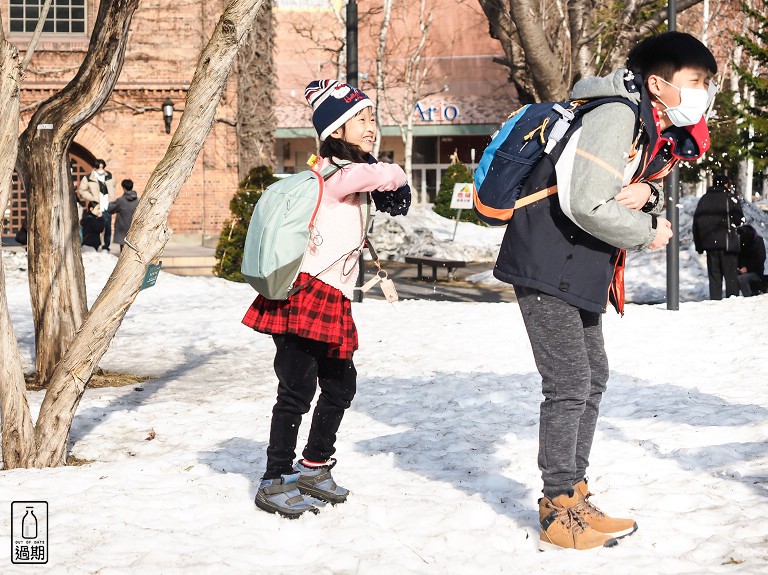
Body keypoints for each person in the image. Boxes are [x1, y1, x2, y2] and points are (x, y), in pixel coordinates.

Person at [492, 32, 717, 550]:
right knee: (570, 379)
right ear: (658, 84)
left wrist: (650, 193)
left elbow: (624, 185)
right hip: (548, 262)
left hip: (576, 264)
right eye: (695, 83)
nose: (703, 94)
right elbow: (587, 204)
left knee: (592, 376)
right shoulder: (616, 113)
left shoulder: (638, 117)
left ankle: (573, 491)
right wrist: (648, 230)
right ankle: (556, 507)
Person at [242, 79, 408, 518]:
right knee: (295, 388)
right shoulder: (333, 173)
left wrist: (384, 185)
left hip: (333, 297)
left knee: (340, 385)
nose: (372, 127)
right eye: (362, 120)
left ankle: (314, 465)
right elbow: (371, 173)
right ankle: (274, 476)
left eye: (373, 118)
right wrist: (396, 177)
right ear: (336, 130)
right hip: (304, 294)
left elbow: (367, 176)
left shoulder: (350, 175)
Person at [692, 175, 744, 299]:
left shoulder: (704, 199)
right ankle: (732, 304)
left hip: (710, 246)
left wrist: (699, 246)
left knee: (714, 279)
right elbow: (739, 220)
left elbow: (696, 224)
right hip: (728, 244)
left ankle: (715, 302)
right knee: (731, 277)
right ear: (725, 184)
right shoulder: (729, 198)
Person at [78, 159, 116, 252]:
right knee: (96, 226)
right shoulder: (88, 178)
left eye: (102, 167)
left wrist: (110, 196)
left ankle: (106, 246)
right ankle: (96, 244)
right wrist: (92, 198)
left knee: (107, 226)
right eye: (99, 167)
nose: (101, 169)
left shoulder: (109, 176)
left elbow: (113, 185)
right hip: (96, 205)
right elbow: (82, 190)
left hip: (107, 205)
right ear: (94, 167)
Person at [108, 179, 139, 252]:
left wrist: (110, 202)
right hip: (134, 228)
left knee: (123, 252)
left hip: (122, 229)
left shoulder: (121, 200)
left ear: (124, 188)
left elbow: (110, 210)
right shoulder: (138, 200)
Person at [736, 224, 766, 297]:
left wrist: (747, 268)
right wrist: (738, 267)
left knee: (742, 278)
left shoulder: (758, 241)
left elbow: (761, 259)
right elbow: (739, 257)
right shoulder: (742, 242)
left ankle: (748, 297)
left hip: (756, 272)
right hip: (743, 270)